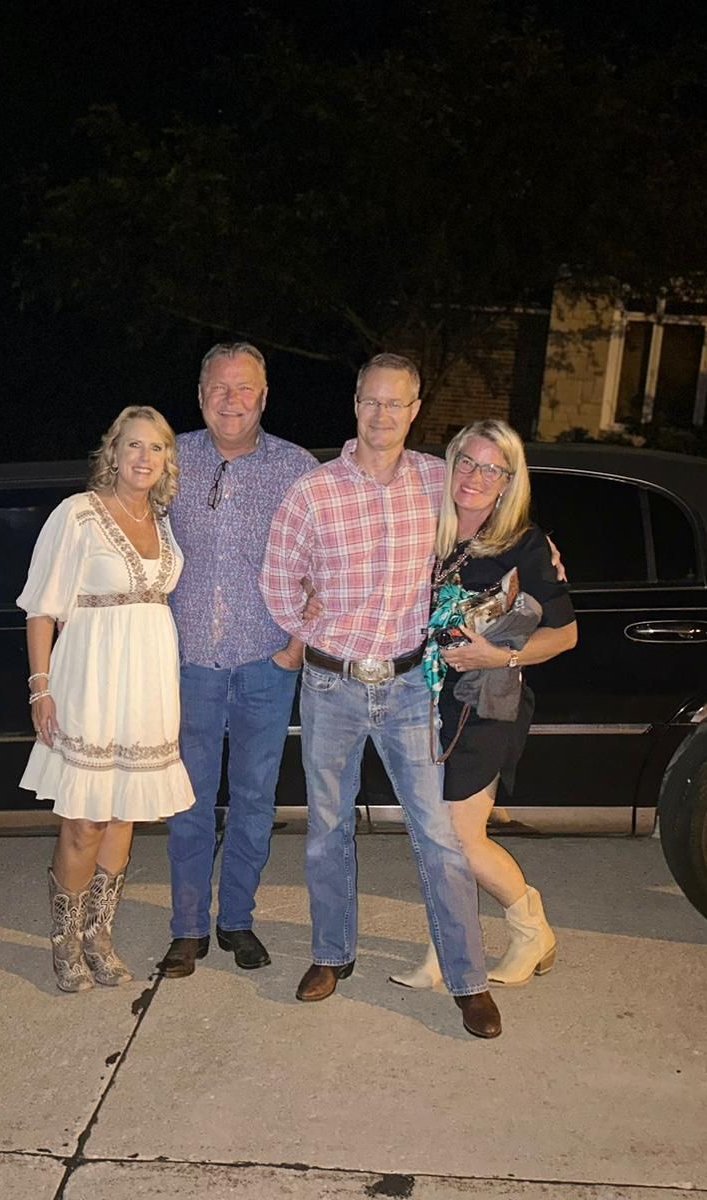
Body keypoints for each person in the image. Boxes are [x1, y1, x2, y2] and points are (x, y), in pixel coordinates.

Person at [260, 352, 503, 1039]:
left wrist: (544, 563)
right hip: (332, 685)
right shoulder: (313, 491)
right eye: (371, 400)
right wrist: (314, 631)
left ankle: (468, 978)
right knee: (327, 829)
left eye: (396, 404)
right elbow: (279, 581)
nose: (382, 415)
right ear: (355, 403)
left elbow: (496, 521)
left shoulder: (436, 481)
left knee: (437, 834)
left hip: (406, 688)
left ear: (416, 410)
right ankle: (331, 954)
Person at [388, 418, 578, 991]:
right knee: (436, 836)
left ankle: (531, 929)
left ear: (507, 481)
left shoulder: (524, 545)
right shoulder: (427, 526)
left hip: (486, 704)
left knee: (459, 837)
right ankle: (447, 947)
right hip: (422, 701)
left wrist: (499, 657)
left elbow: (564, 635)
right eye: (466, 462)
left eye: (491, 468)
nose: (474, 476)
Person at [18, 405, 196, 993]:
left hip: (146, 686)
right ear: (113, 452)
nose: (145, 458)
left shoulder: (166, 522)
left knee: (124, 815)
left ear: (166, 460)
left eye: (157, 448)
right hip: (89, 682)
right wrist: (40, 689)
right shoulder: (78, 515)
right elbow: (42, 607)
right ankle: (64, 942)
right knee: (84, 819)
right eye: (134, 446)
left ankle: (99, 936)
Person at [158, 344, 318, 979]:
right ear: (201, 394)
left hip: (265, 662)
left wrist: (294, 647)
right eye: (219, 387)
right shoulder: (169, 461)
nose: (231, 399)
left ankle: (237, 921)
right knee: (188, 799)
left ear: (264, 396)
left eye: (244, 388)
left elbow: (320, 563)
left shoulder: (296, 468)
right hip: (188, 662)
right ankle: (188, 928)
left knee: (254, 798)